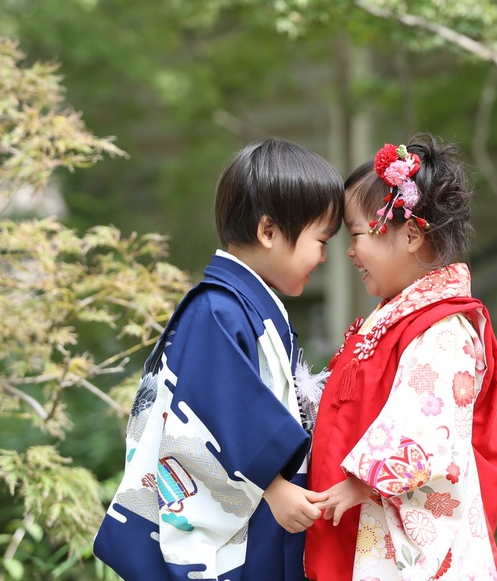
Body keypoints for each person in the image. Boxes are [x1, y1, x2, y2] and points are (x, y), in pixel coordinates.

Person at [93, 138, 343, 580]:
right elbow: (212, 410)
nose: (324, 256)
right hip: (252, 510)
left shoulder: (241, 306)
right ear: (268, 232)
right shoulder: (217, 310)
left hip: (258, 514)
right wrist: (272, 486)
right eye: (320, 240)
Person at [305, 134, 497, 581]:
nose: (350, 251)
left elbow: (426, 428)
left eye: (358, 234)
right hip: (362, 517)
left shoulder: (443, 330)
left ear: (413, 234)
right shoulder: (397, 319)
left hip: (397, 534)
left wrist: (363, 481)